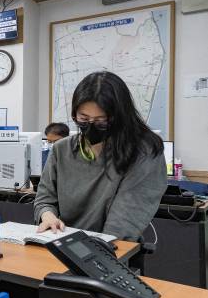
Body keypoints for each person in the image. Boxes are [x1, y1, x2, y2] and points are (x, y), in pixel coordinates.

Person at [33, 71, 167, 241]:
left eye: (101, 120)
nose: (91, 126)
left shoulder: (143, 152)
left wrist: (91, 251)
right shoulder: (62, 149)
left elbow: (122, 225)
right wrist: (47, 216)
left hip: (111, 252)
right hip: (62, 244)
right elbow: (44, 199)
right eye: (83, 118)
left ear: (120, 117)